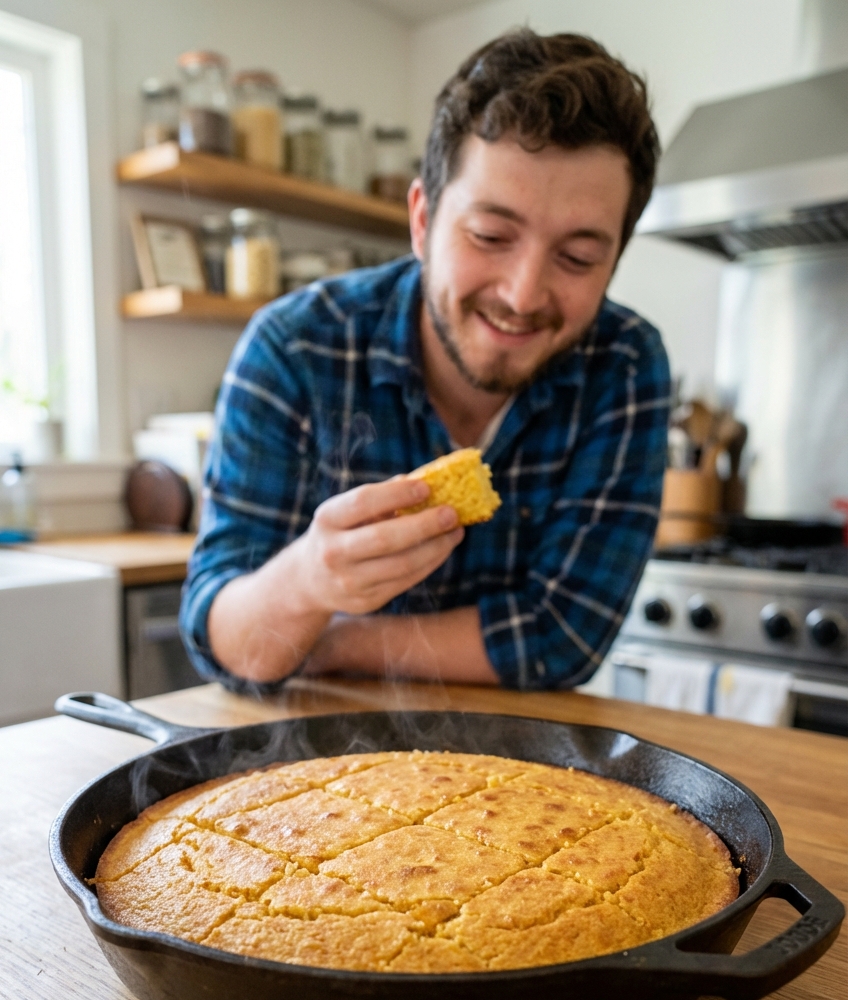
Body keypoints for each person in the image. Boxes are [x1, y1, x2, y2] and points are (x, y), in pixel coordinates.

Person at [180, 29, 670, 692]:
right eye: (490, 236)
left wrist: (331, 641)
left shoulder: (626, 365)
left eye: (578, 258)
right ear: (421, 221)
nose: (522, 295)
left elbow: (564, 638)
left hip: (526, 772)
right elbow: (226, 640)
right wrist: (307, 579)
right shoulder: (294, 347)